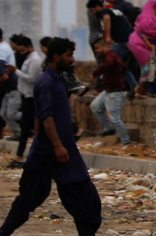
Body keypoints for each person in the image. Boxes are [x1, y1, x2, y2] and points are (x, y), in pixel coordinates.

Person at [0, 38, 103, 236]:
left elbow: (41, 118)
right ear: (56, 56)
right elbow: (45, 117)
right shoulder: (45, 81)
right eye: (68, 55)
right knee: (29, 198)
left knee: (85, 201)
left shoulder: (58, 80)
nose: (72, 59)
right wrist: (57, 146)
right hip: (53, 151)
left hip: (55, 149)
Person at [88, 39, 131, 145]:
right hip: (107, 91)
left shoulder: (110, 56)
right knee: (96, 107)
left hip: (115, 92)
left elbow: (109, 64)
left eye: (98, 48)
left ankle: (126, 141)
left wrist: (95, 73)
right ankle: (108, 128)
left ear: (104, 47)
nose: (97, 51)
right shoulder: (111, 57)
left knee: (115, 118)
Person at [12, 37, 45, 163]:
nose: (19, 52)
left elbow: (31, 79)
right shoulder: (28, 58)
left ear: (28, 46)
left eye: (21, 49)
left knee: (26, 128)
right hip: (25, 96)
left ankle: (20, 156)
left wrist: (15, 71)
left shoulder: (35, 60)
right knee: (28, 127)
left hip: (31, 97)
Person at [0, 32, 23, 140]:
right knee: (3, 113)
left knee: (11, 114)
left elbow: (5, 76)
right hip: (8, 89)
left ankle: (33, 118)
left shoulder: (1, 51)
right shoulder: (4, 48)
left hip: (13, 87)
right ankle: (18, 133)